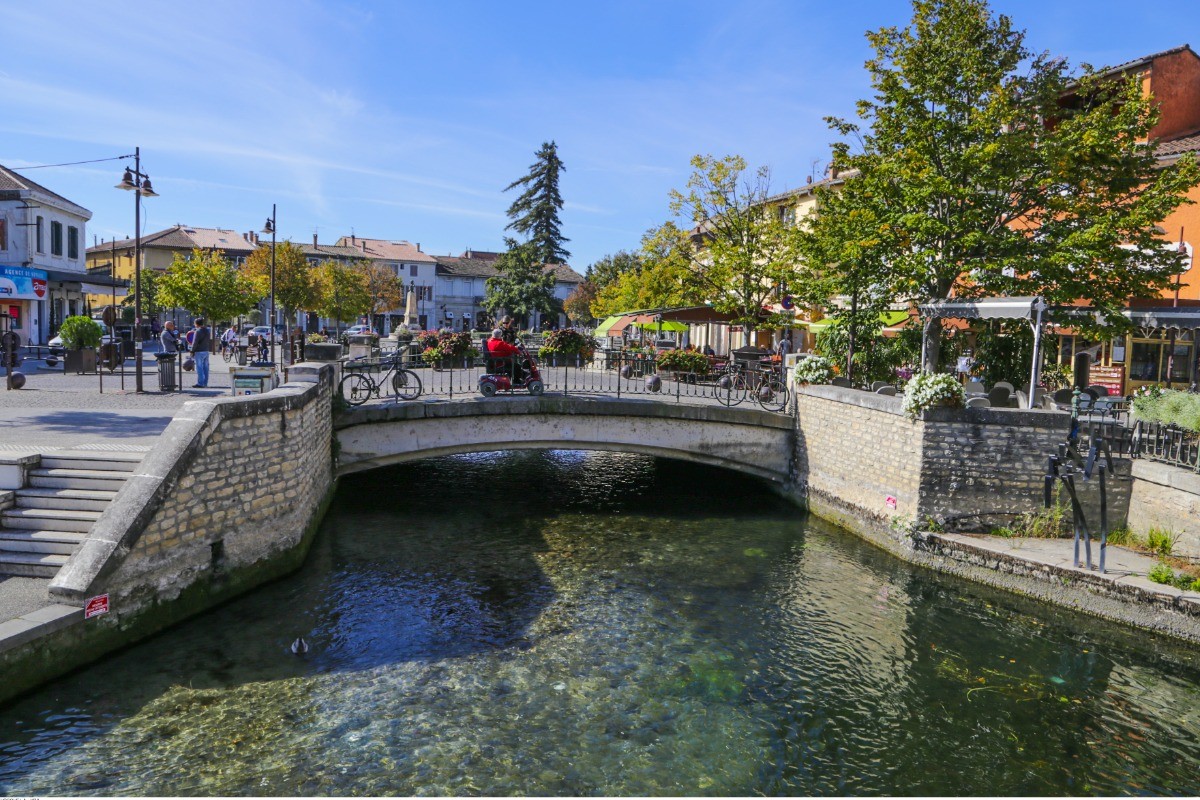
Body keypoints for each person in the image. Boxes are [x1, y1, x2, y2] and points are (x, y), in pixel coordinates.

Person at [191, 317, 212, 388]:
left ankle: (200, 383)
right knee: (206, 368)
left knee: (199, 367)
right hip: (206, 350)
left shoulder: (197, 331)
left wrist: (192, 351)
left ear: (196, 324)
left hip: (199, 351)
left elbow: (195, 342)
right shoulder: (207, 330)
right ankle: (205, 383)